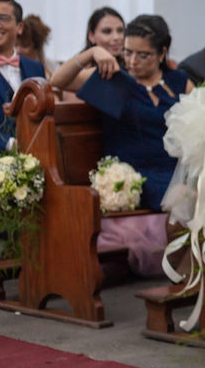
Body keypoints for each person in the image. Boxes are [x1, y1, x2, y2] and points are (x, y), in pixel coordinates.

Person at [76, 15, 191, 276]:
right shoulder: (113, 80)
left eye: (143, 55)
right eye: (127, 52)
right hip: (138, 173)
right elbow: (58, 82)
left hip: (174, 169)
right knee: (185, 197)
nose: (132, 61)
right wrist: (92, 53)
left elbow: (203, 112)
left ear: (162, 53)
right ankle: (179, 273)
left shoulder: (177, 81)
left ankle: (196, 274)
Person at [0, 0, 47, 148]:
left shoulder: (36, 67)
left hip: (35, 153)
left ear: (19, 28)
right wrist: (8, 144)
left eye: (3, 18)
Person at [49, 7, 126, 94]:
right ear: (91, 36)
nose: (116, 37)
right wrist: (92, 51)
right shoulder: (103, 71)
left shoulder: (130, 65)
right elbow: (55, 81)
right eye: (107, 31)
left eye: (120, 30)